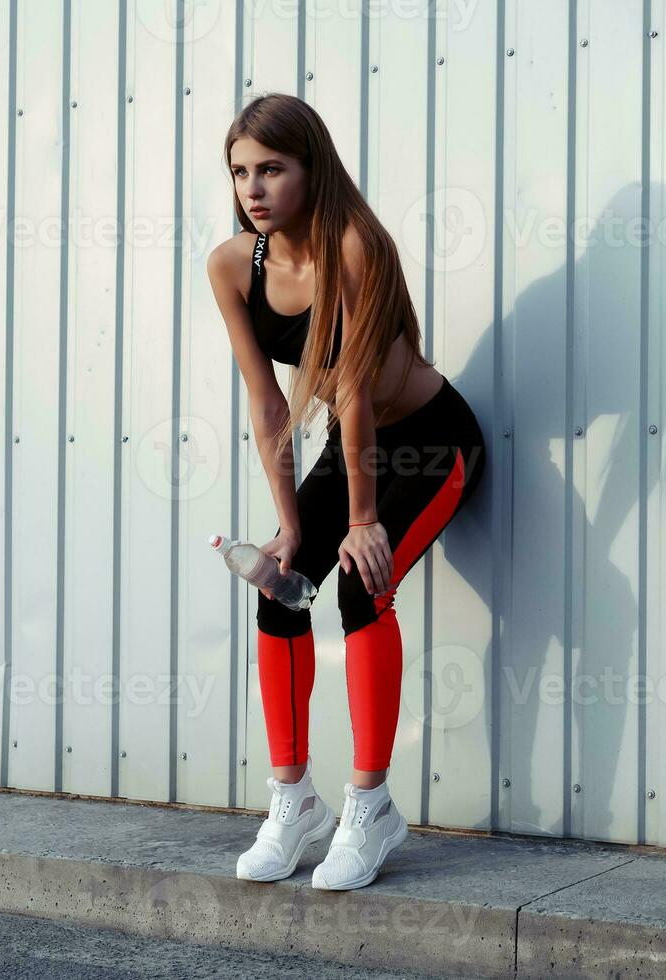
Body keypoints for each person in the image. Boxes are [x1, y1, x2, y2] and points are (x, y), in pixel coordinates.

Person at [206, 93, 486, 891]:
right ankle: (295, 802)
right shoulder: (232, 267)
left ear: (311, 168)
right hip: (354, 444)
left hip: (432, 443)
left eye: (271, 169)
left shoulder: (355, 247)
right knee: (282, 591)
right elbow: (268, 404)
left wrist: (363, 520)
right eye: (240, 172)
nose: (252, 188)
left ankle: (371, 808)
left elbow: (356, 388)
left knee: (366, 587)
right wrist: (292, 527)